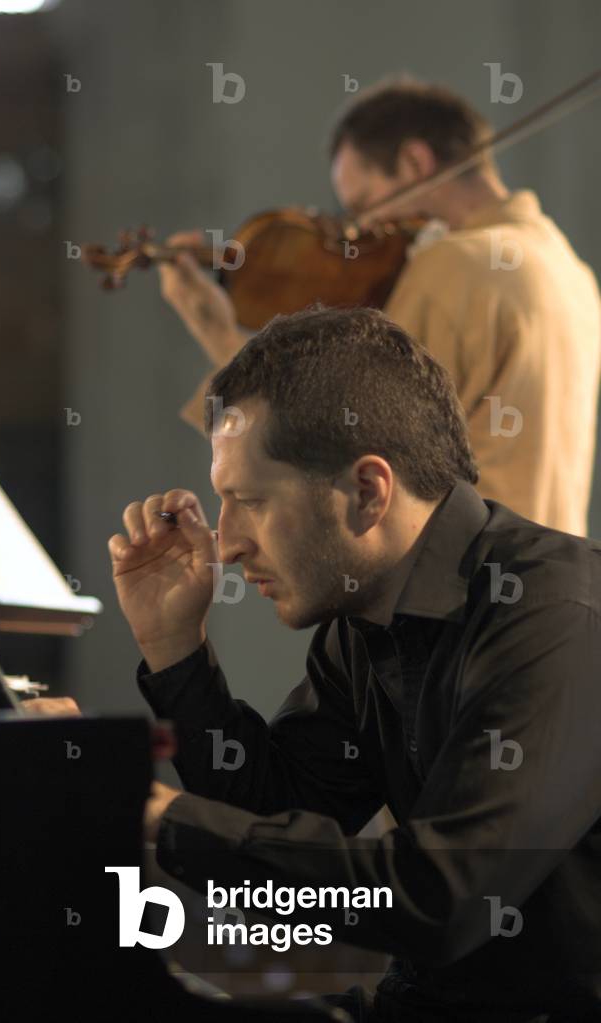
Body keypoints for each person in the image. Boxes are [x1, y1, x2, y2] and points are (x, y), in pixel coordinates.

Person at [109, 307, 601, 1022]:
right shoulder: (361, 623)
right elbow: (275, 817)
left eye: (249, 500)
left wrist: (165, 817)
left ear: (369, 490)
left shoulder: (558, 616)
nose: (227, 542)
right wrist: (173, 645)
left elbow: (443, 898)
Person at [158, 77, 601, 536]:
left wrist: (217, 331)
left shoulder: (451, 265)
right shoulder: (568, 267)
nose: (362, 231)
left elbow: (335, 447)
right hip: (553, 575)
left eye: (364, 204)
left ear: (414, 162)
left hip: (467, 588)